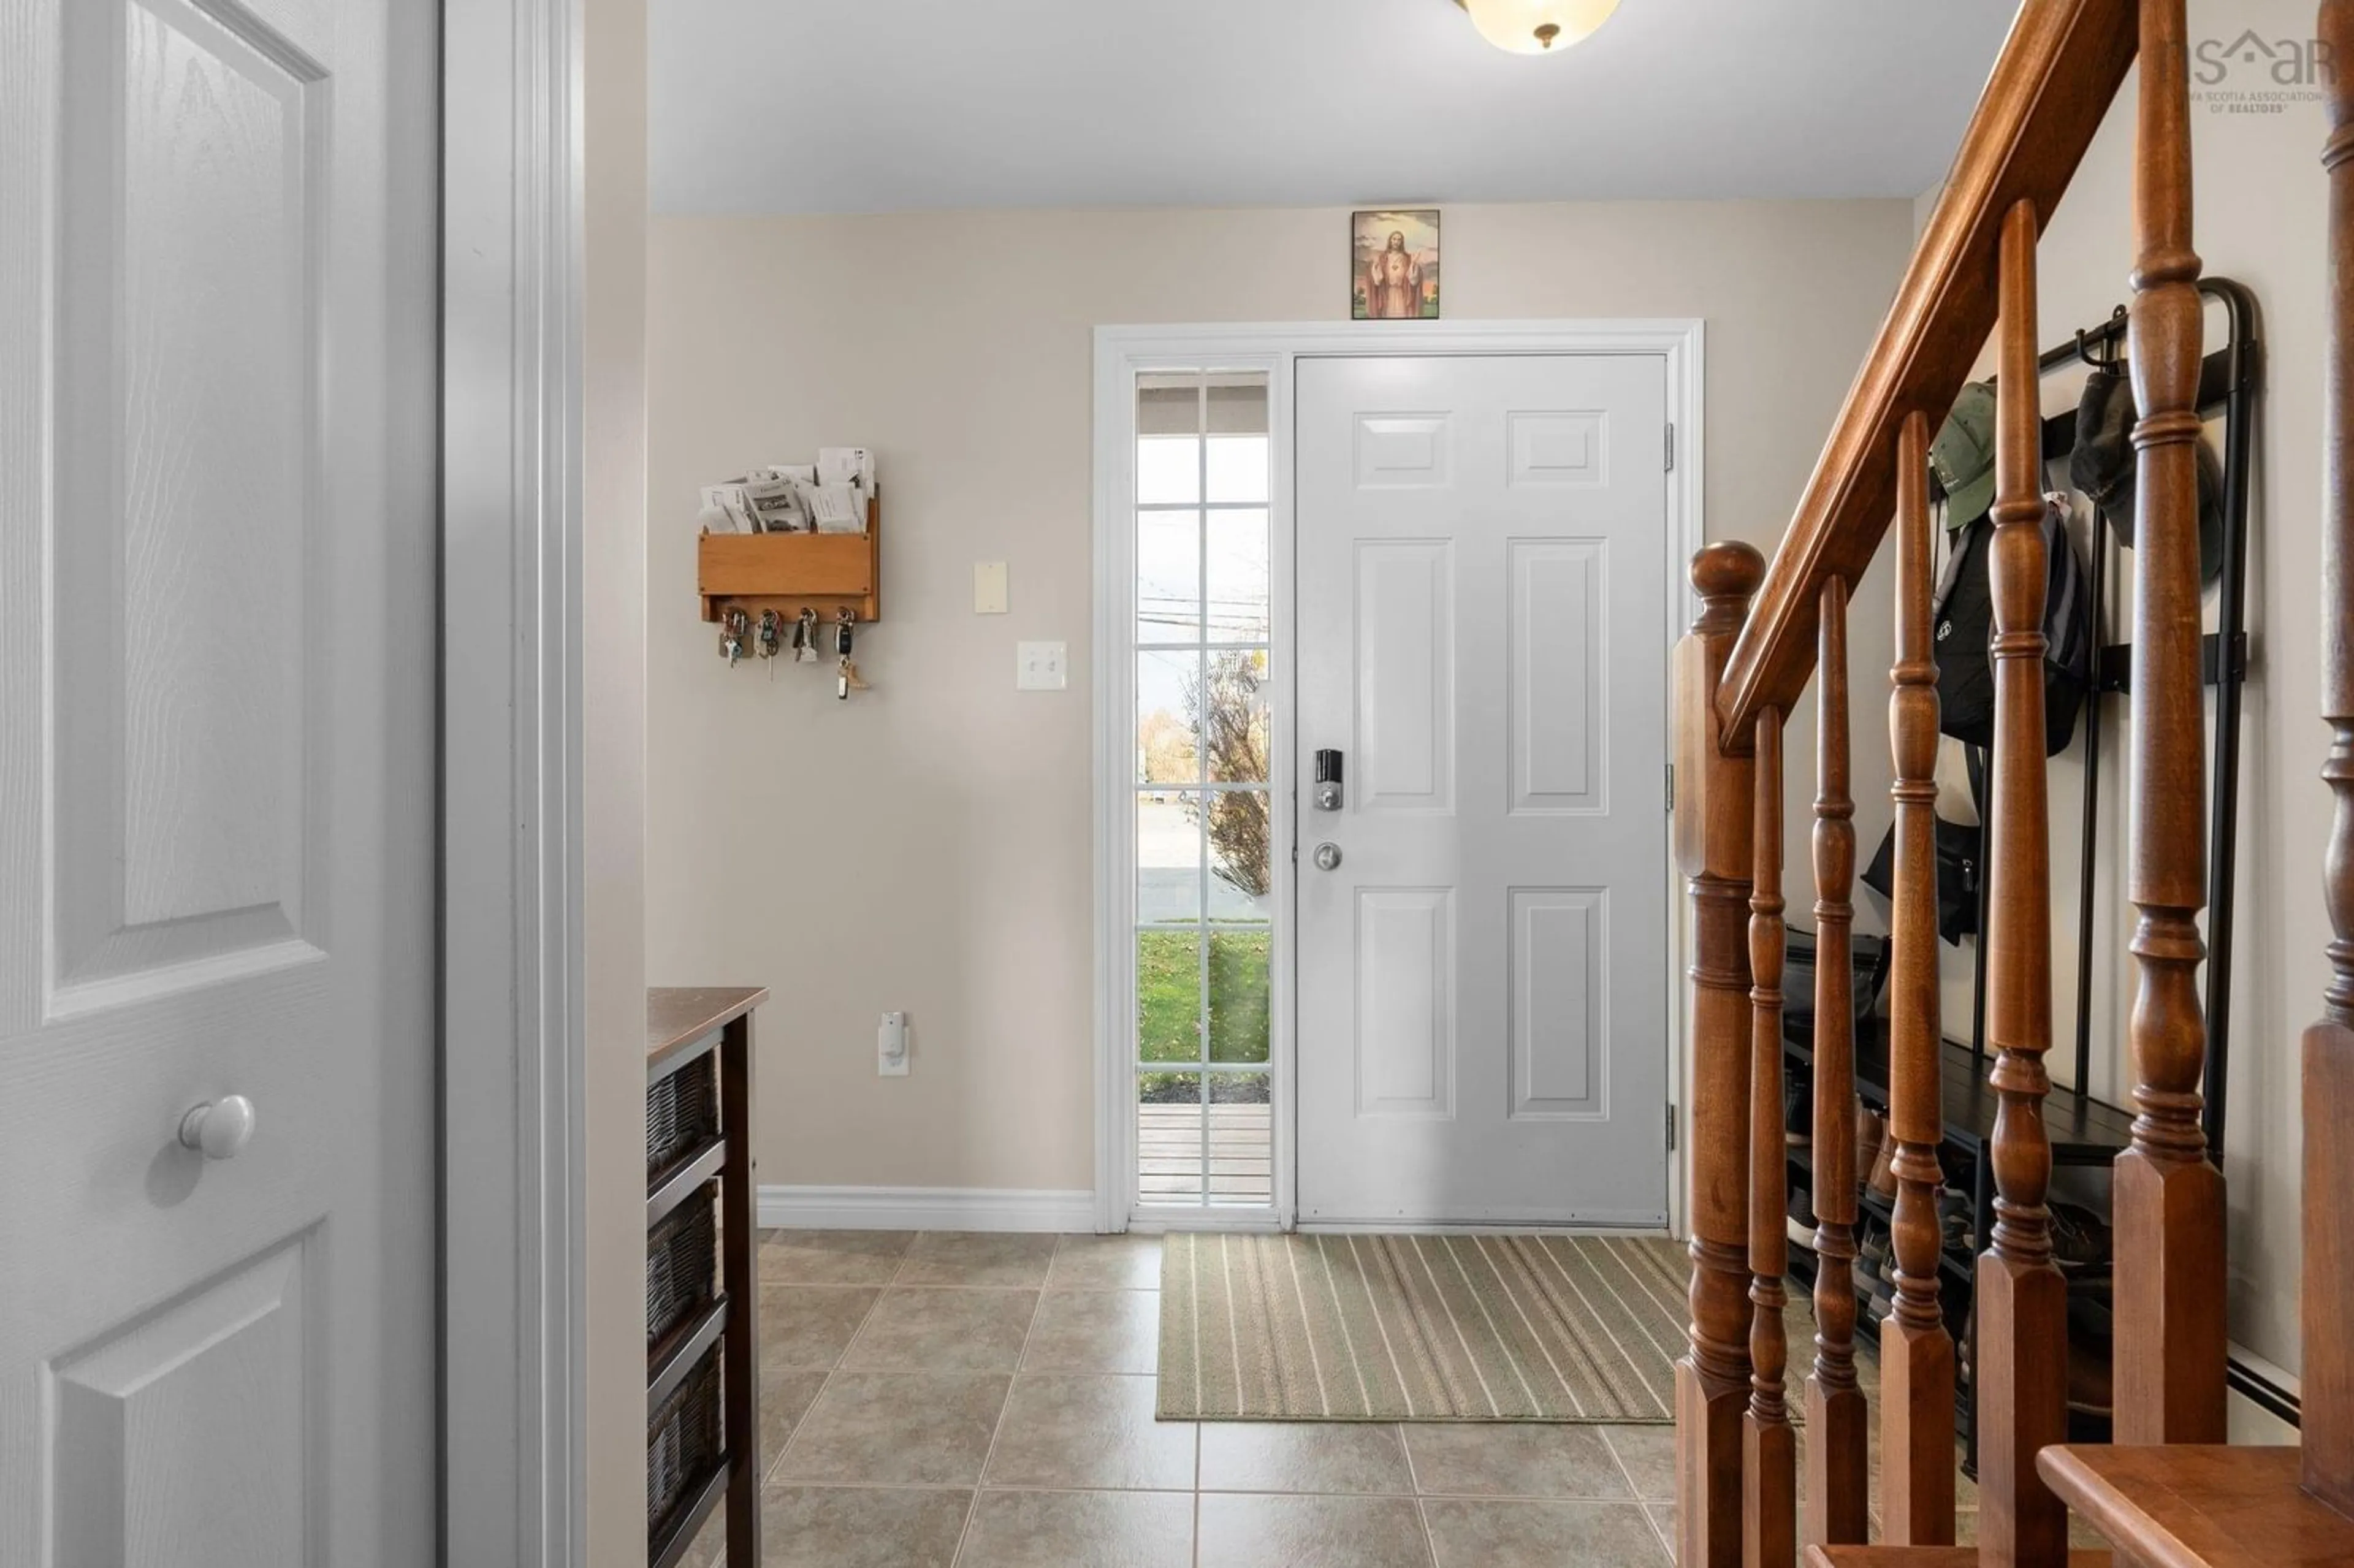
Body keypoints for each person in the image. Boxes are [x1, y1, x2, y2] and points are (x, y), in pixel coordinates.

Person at [1365, 230, 1422, 319]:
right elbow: (1377, 281)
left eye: (1399, 240)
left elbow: (1413, 281)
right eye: (1394, 239)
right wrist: (1375, 266)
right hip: (1387, 295)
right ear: (1390, 241)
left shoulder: (1407, 258)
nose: (1396, 242)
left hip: (1403, 295)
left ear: (1402, 242)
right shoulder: (1383, 258)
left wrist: (1413, 264)